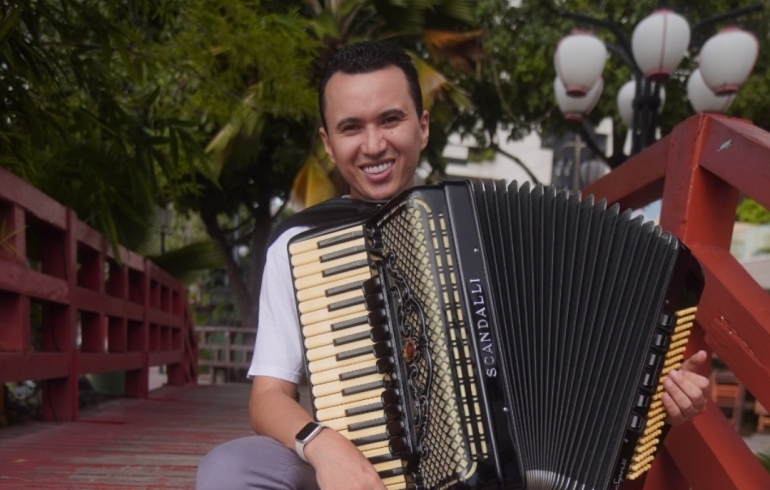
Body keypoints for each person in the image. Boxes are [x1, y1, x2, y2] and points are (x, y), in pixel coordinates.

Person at [196, 41, 711, 490]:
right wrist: (325, 445)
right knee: (231, 471)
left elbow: (599, 371)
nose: (373, 145)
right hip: (358, 475)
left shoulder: (486, 220)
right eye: (351, 128)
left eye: (390, 119)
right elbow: (268, 397)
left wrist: (665, 395)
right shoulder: (301, 245)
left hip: (504, 478)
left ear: (422, 126)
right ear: (329, 144)